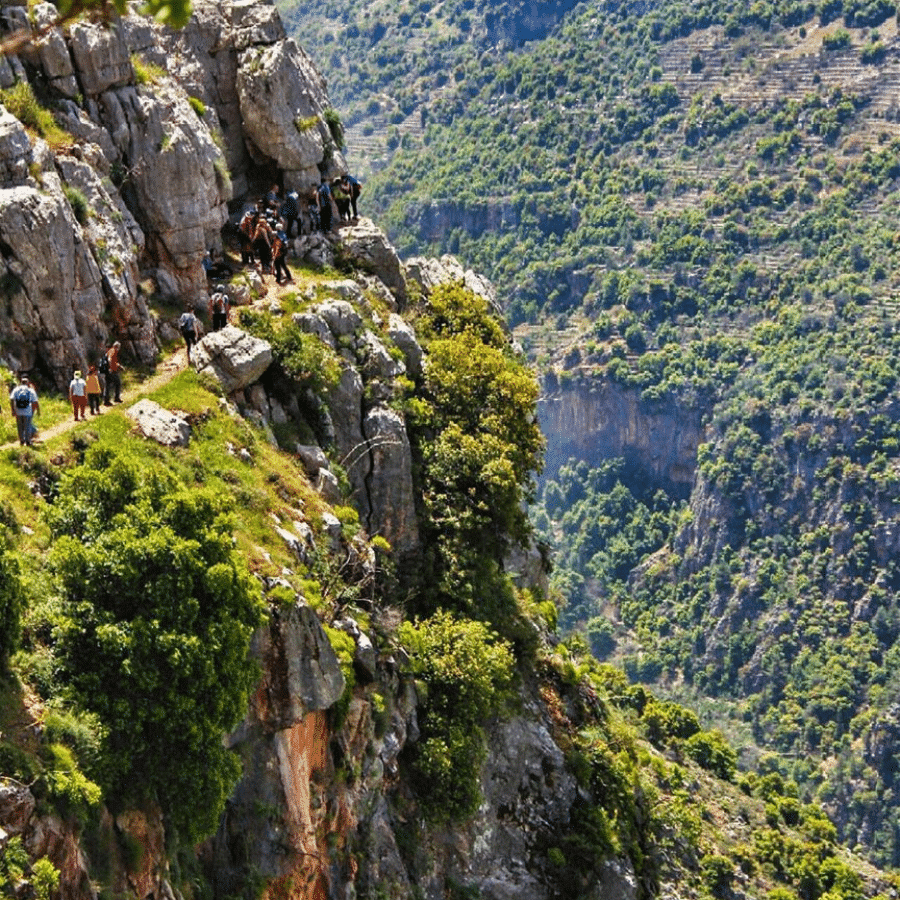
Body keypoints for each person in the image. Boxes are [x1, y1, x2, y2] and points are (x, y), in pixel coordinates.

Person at [9, 375, 38, 446]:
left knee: (20, 426)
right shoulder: (30, 390)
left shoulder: (16, 390)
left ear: (20, 382)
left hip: (18, 411)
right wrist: (34, 411)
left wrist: (13, 410)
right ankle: (28, 441)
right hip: (27, 411)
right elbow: (35, 401)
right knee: (27, 426)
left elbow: (12, 399)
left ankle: (22, 441)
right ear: (27, 383)